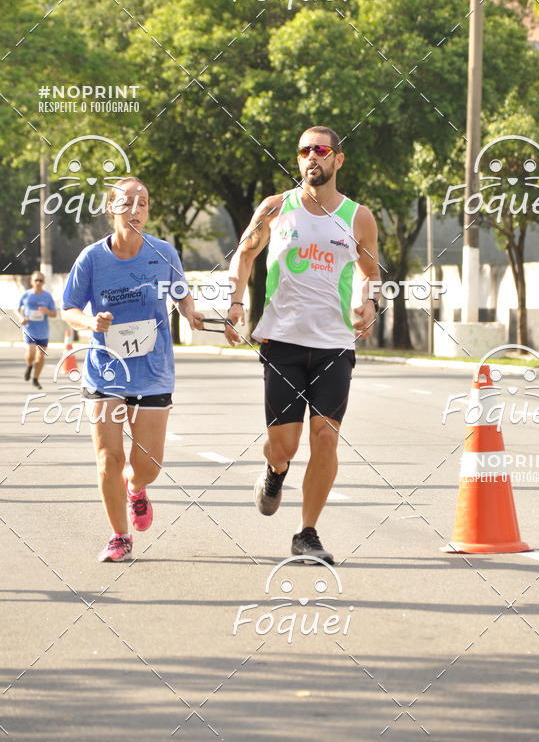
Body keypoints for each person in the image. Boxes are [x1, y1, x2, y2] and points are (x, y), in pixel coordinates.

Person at [225, 126, 381, 564]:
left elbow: (371, 274)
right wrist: (236, 302)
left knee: (325, 438)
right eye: (304, 151)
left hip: (334, 344)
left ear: (338, 159)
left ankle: (306, 533)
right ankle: (275, 473)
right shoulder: (276, 208)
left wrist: (369, 304)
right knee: (285, 446)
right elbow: (244, 254)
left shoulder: (357, 217)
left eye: (321, 150)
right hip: (283, 340)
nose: (312, 157)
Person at [62, 177, 205, 562]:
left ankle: (137, 489)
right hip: (106, 370)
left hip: (153, 369)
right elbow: (70, 308)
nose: (135, 211)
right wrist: (91, 323)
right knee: (109, 459)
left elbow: (180, 293)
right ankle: (119, 536)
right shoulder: (91, 258)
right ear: (112, 209)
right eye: (127, 204)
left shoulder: (163, 253)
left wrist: (191, 313)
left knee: (148, 465)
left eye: (142, 204)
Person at [18, 271, 57, 390]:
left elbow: (54, 314)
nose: (38, 282)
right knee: (30, 353)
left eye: (41, 280)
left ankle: (35, 379)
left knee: (40, 357)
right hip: (29, 329)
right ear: (31, 281)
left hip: (43, 331)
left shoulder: (47, 296)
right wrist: (21, 318)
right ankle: (29, 365)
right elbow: (17, 309)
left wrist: (47, 311)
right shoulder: (26, 295)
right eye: (36, 280)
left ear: (44, 282)